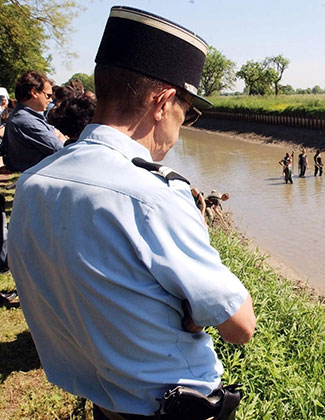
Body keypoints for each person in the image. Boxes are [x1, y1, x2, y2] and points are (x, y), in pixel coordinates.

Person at [8, 6, 255, 420]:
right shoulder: (153, 196)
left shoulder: (32, 184)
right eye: (187, 113)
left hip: (104, 403)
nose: (181, 129)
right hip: (171, 408)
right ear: (162, 103)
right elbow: (240, 326)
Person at [1, 70, 67, 172]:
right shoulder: (26, 121)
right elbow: (61, 150)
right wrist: (59, 136)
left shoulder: (25, 117)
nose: (50, 100)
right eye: (48, 96)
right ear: (34, 93)